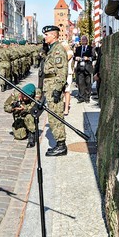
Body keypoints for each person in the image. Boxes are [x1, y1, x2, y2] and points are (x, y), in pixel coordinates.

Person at [40, 25, 68, 157]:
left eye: (47, 35)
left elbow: (61, 72)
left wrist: (57, 90)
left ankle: (61, 145)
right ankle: (59, 143)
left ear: (53, 35)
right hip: (49, 86)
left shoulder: (58, 50)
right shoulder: (51, 49)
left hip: (53, 87)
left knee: (56, 115)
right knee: (52, 115)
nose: (45, 37)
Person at [4, 83, 38, 148]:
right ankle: (25, 128)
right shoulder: (15, 94)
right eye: (24, 95)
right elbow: (5, 107)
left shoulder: (35, 96)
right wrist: (13, 108)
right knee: (19, 136)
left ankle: (32, 136)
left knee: (29, 117)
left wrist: (24, 108)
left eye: (27, 97)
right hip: (19, 117)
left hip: (29, 116)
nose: (25, 98)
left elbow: (34, 108)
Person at [73, 35, 97, 103]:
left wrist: (88, 58)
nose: (83, 41)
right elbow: (74, 57)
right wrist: (76, 58)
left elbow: (94, 57)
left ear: (87, 41)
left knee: (88, 83)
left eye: (84, 40)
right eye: (82, 40)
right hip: (80, 68)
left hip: (88, 67)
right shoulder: (78, 48)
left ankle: (87, 97)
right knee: (80, 83)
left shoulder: (91, 48)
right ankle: (81, 97)